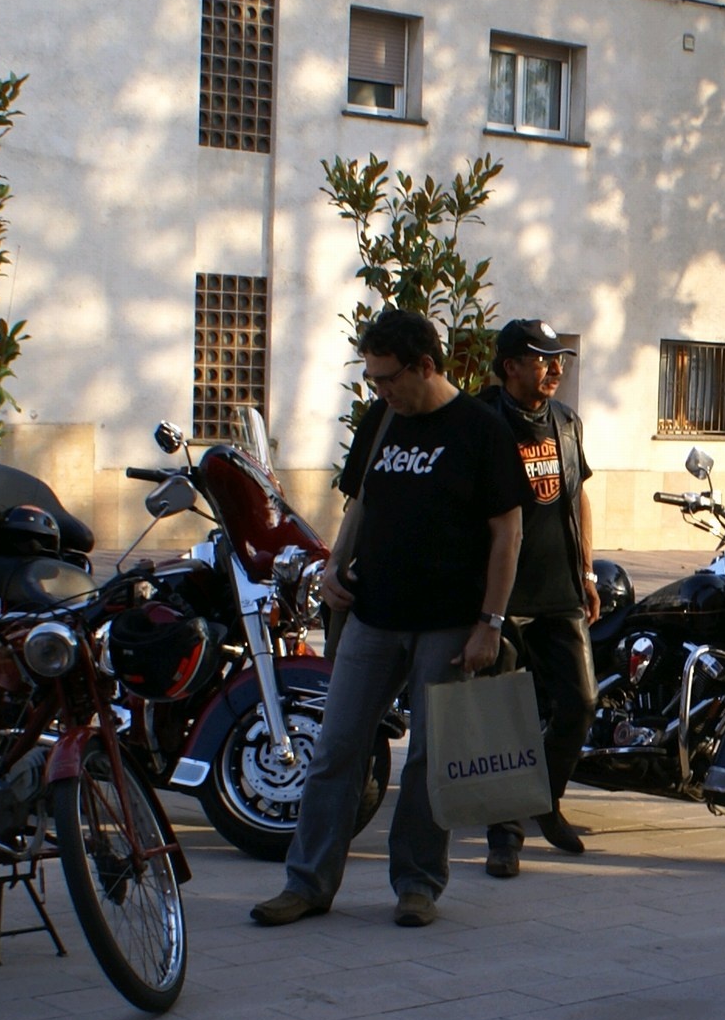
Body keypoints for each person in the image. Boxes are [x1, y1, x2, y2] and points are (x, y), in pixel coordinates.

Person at [252, 308, 528, 929]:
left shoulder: (481, 430)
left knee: (429, 758)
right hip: (374, 614)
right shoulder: (382, 420)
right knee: (336, 748)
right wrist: (333, 567)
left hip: (449, 622)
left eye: (387, 378)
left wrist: (490, 622)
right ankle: (307, 883)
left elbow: (507, 534)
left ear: (425, 366)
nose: (379, 390)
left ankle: (417, 883)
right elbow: (362, 503)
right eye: (372, 378)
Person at [477, 319, 594, 877]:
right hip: (499, 597)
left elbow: (578, 497)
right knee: (504, 720)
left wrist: (587, 571)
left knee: (581, 703)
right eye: (542, 359)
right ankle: (504, 836)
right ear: (510, 367)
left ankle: (544, 798)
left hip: (560, 592)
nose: (555, 368)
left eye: (559, 359)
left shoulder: (566, 422)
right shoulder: (481, 421)